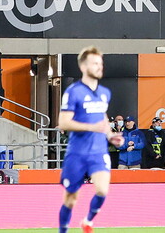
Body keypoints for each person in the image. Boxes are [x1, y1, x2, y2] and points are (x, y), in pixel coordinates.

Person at [56, 47, 113, 233]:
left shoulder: (105, 92)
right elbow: (63, 122)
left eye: (100, 63)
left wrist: (110, 135)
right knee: (70, 199)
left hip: (98, 151)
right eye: (95, 63)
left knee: (102, 190)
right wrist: (91, 127)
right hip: (77, 153)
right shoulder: (73, 91)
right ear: (83, 67)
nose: (99, 67)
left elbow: (103, 116)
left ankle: (87, 221)